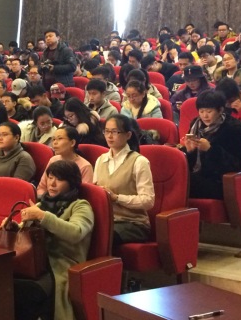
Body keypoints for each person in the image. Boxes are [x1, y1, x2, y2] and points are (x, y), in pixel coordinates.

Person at [9, 160, 93, 320]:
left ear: (71, 182)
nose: (52, 184)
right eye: (50, 178)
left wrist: (43, 216)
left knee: (18, 289)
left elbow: (76, 233)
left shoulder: (80, 206)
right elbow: (26, 233)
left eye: (59, 179)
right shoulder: (43, 204)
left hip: (60, 265)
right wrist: (13, 228)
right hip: (35, 263)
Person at [93, 114, 155, 245]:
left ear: (128, 135)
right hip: (107, 219)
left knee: (101, 236)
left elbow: (148, 201)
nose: (109, 136)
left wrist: (117, 198)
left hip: (133, 222)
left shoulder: (139, 161)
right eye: (107, 131)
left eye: (115, 132)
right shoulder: (101, 160)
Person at [183, 90, 241, 199]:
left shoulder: (233, 128)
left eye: (209, 111)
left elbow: (235, 165)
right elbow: (192, 165)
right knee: (176, 176)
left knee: (183, 180)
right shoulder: (196, 125)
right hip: (198, 176)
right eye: (201, 111)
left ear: (220, 110)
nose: (205, 116)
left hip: (219, 181)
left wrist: (210, 150)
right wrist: (189, 151)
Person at [37, 126, 93, 196]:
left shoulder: (85, 166)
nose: (55, 143)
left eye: (60, 138)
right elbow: (41, 188)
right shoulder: (53, 160)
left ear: (72, 143)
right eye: (54, 139)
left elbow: (83, 195)